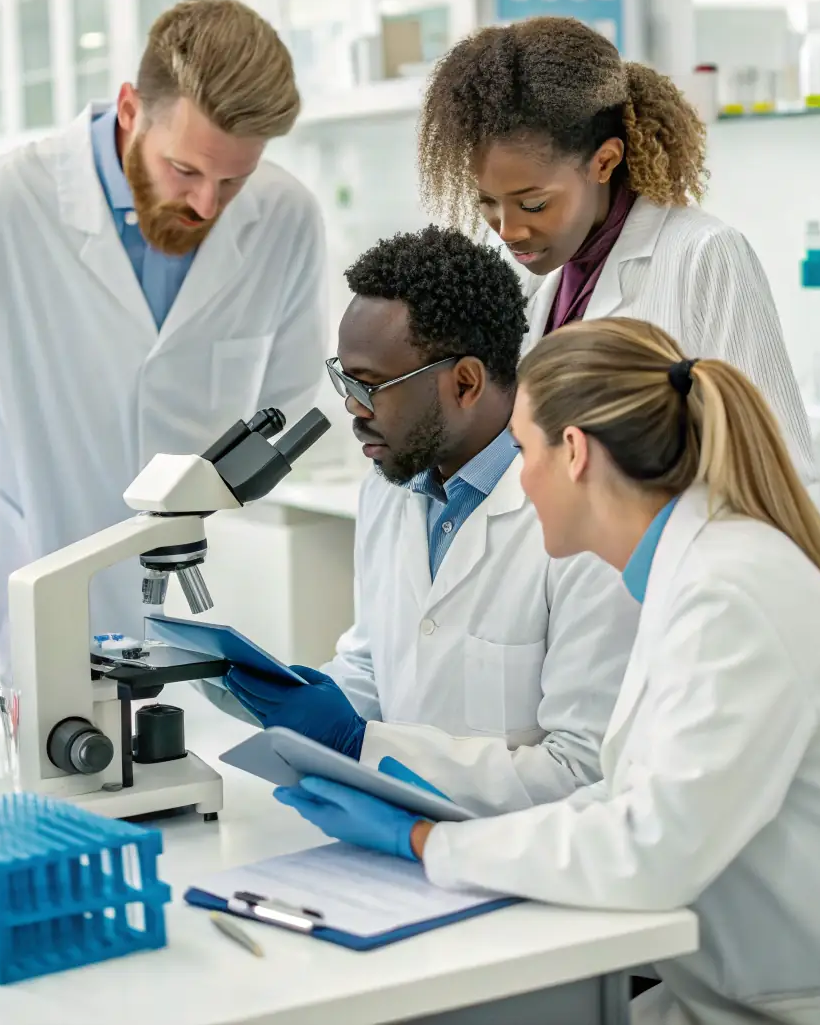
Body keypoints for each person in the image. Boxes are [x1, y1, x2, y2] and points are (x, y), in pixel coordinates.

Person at [275, 318, 820, 1025]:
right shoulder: (697, 570)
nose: (518, 478)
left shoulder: (728, 593)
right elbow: (624, 799)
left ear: (573, 452)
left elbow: (649, 846)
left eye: (520, 449)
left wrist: (424, 842)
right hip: (716, 986)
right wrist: (430, 823)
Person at [0, 0, 328, 722]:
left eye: (233, 182)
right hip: (38, 566)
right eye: (184, 169)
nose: (207, 205)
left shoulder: (287, 217)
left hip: (196, 598)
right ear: (130, 109)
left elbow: (280, 406)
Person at [222, 227, 640, 814]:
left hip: (524, 863)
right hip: (407, 843)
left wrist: (361, 743)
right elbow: (376, 665)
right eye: (345, 381)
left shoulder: (581, 521)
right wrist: (309, 701)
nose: (351, 408)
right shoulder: (390, 488)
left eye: (370, 386)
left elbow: (585, 769)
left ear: (465, 381)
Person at [417, 16, 815, 486]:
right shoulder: (508, 261)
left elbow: (783, 471)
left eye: (533, 204)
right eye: (486, 202)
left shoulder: (703, 256)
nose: (508, 230)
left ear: (603, 161)